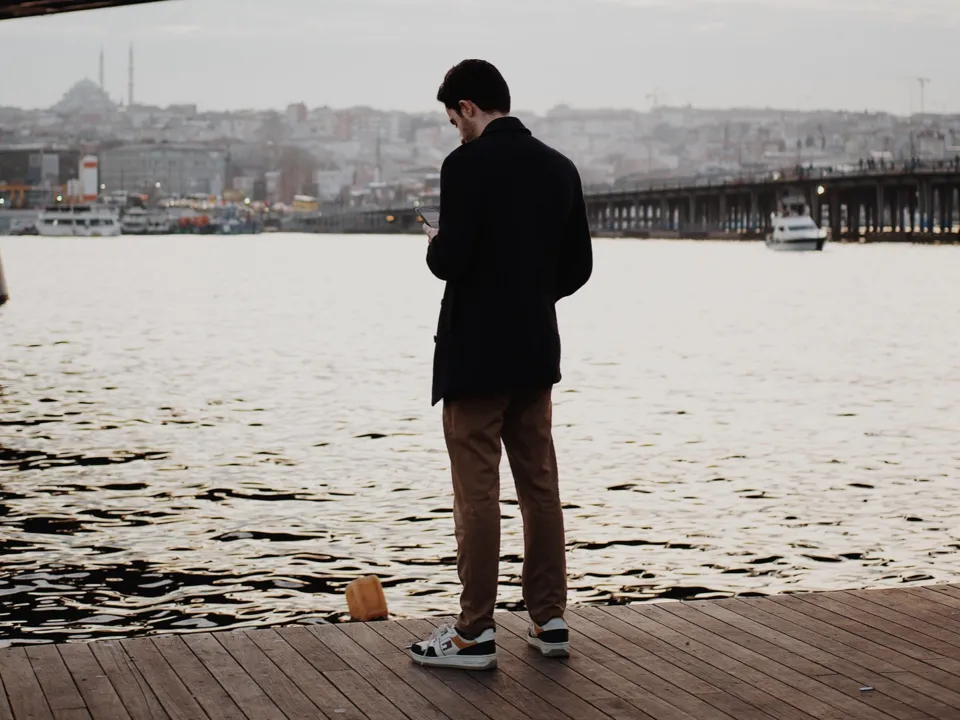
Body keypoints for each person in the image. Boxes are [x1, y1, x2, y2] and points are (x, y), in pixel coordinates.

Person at [408, 59, 593, 671]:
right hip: (535, 351)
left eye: (453, 118)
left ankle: (474, 632)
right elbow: (579, 267)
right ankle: (550, 619)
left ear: (467, 107)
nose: (454, 130)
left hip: (475, 355)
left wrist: (435, 244)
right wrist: (531, 295)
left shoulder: (465, 165)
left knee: (477, 493)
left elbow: (454, 260)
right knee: (540, 488)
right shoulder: (560, 167)